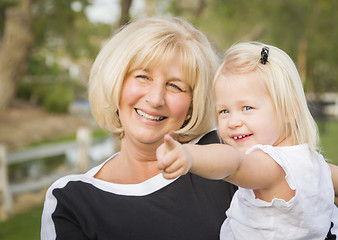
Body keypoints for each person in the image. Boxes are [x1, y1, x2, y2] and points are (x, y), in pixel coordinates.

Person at [40, 17, 237, 240]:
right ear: (116, 83)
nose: (155, 99)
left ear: (193, 104)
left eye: (175, 86)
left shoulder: (224, 156)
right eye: (143, 77)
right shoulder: (71, 201)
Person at [157, 42, 338, 239]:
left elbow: (234, 164)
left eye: (247, 108)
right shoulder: (316, 165)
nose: (233, 121)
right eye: (224, 111)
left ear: (288, 109)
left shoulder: (272, 167)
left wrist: (190, 155)